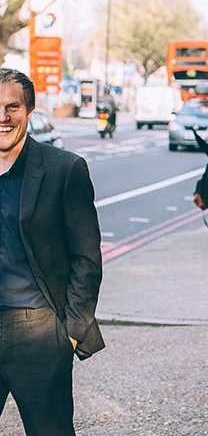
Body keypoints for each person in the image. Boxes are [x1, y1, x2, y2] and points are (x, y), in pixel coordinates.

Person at [0, 68, 105, 434]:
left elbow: (87, 258)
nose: (2, 117)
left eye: (12, 107)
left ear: (29, 110)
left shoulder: (64, 169)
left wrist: (71, 332)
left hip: (40, 330)